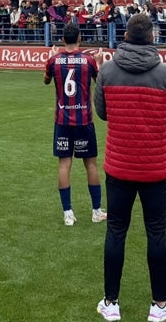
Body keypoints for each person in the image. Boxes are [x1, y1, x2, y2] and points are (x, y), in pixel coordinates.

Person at [93, 13, 166, 322]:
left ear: (126, 35)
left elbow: (102, 113)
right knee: (156, 233)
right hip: (154, 167)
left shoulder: (106, 71)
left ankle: (111, 302)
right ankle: (159, 305)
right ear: (151, 37)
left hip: (119, 165)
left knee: (116, 231)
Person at [43, 22, 105, 226]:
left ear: (62, 39)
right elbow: (100, 84)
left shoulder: (54, 60)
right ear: (79, 38)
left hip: (62, 120)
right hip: (84, 120)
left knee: (64, 164)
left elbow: (46, 80)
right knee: (91, 164)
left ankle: (68, 213)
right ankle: (96, 211)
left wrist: (49, 58)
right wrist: (99, 63)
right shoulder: (88, 61)